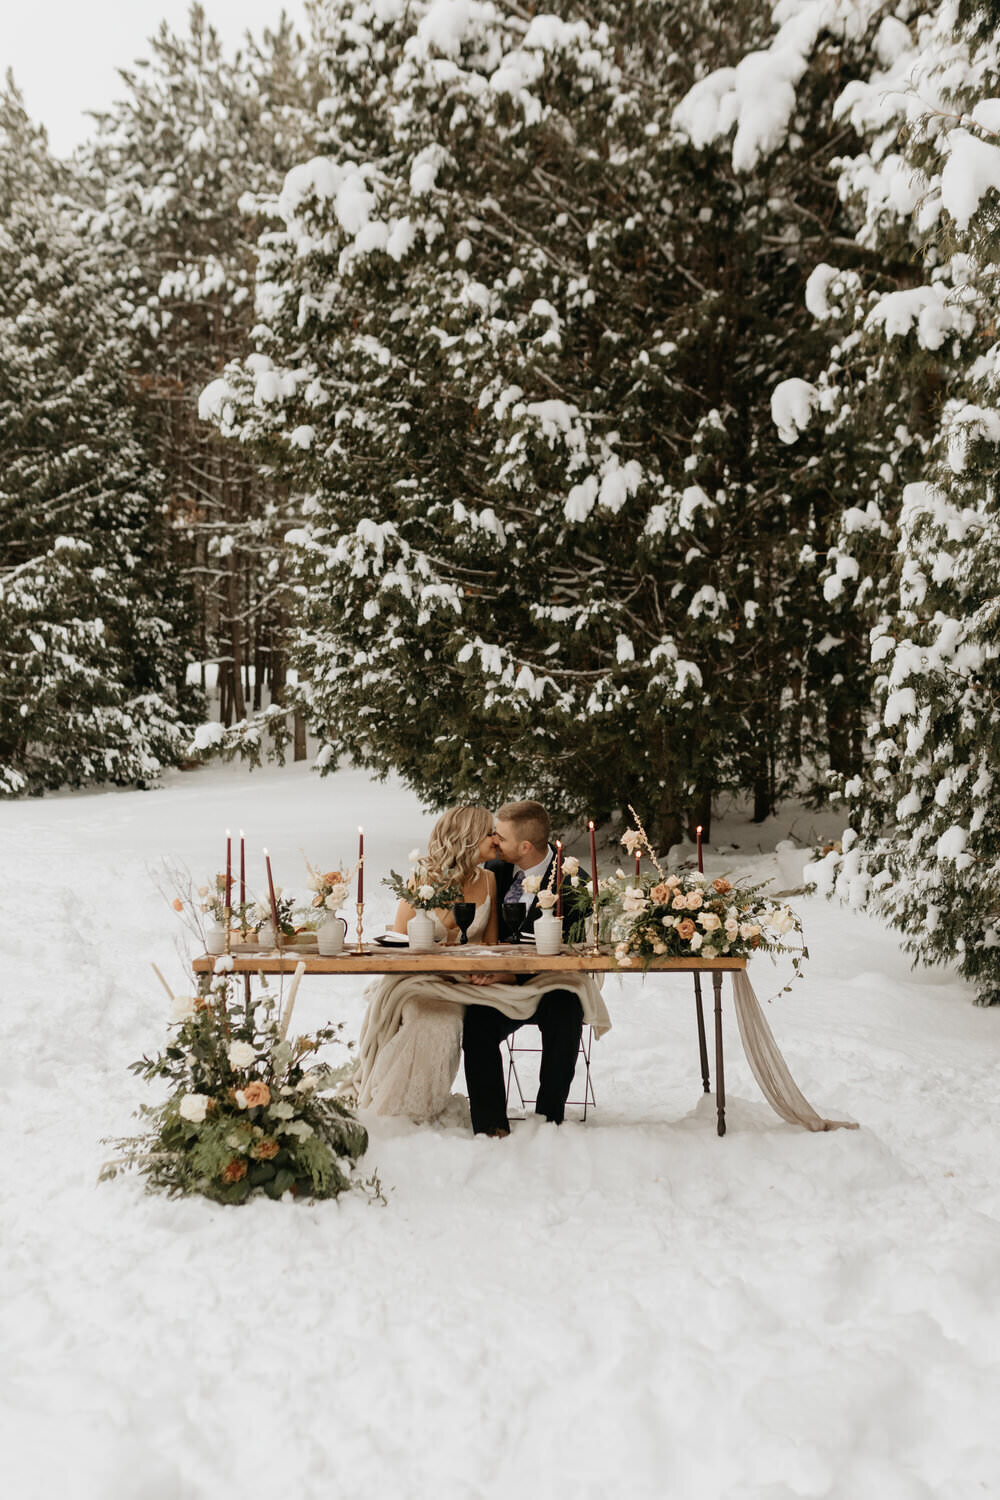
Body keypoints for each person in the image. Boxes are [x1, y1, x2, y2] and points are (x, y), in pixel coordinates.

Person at [463, 799, 606, 1137]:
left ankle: (549, 1118)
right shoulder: (494, 873)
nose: (494, 841)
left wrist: (511, 973)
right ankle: (490, 1124)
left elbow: (565, 956)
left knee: (565, 1011)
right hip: (501, 984)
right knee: (477, 1020)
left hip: (552, 981)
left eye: (501, 837)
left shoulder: (572, 884)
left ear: (525, 846)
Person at [354, 805, 498, 1121]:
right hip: (418, 980)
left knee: (445, 1022)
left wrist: (483, 967)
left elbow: (491, 945)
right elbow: (398, 942)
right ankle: (395, 1111)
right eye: (490, 833)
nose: (497, 839)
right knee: (425, 1018)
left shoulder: (489, 880)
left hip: (462, 985)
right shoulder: (422, 880)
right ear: (469, 838)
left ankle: (423, 1105)